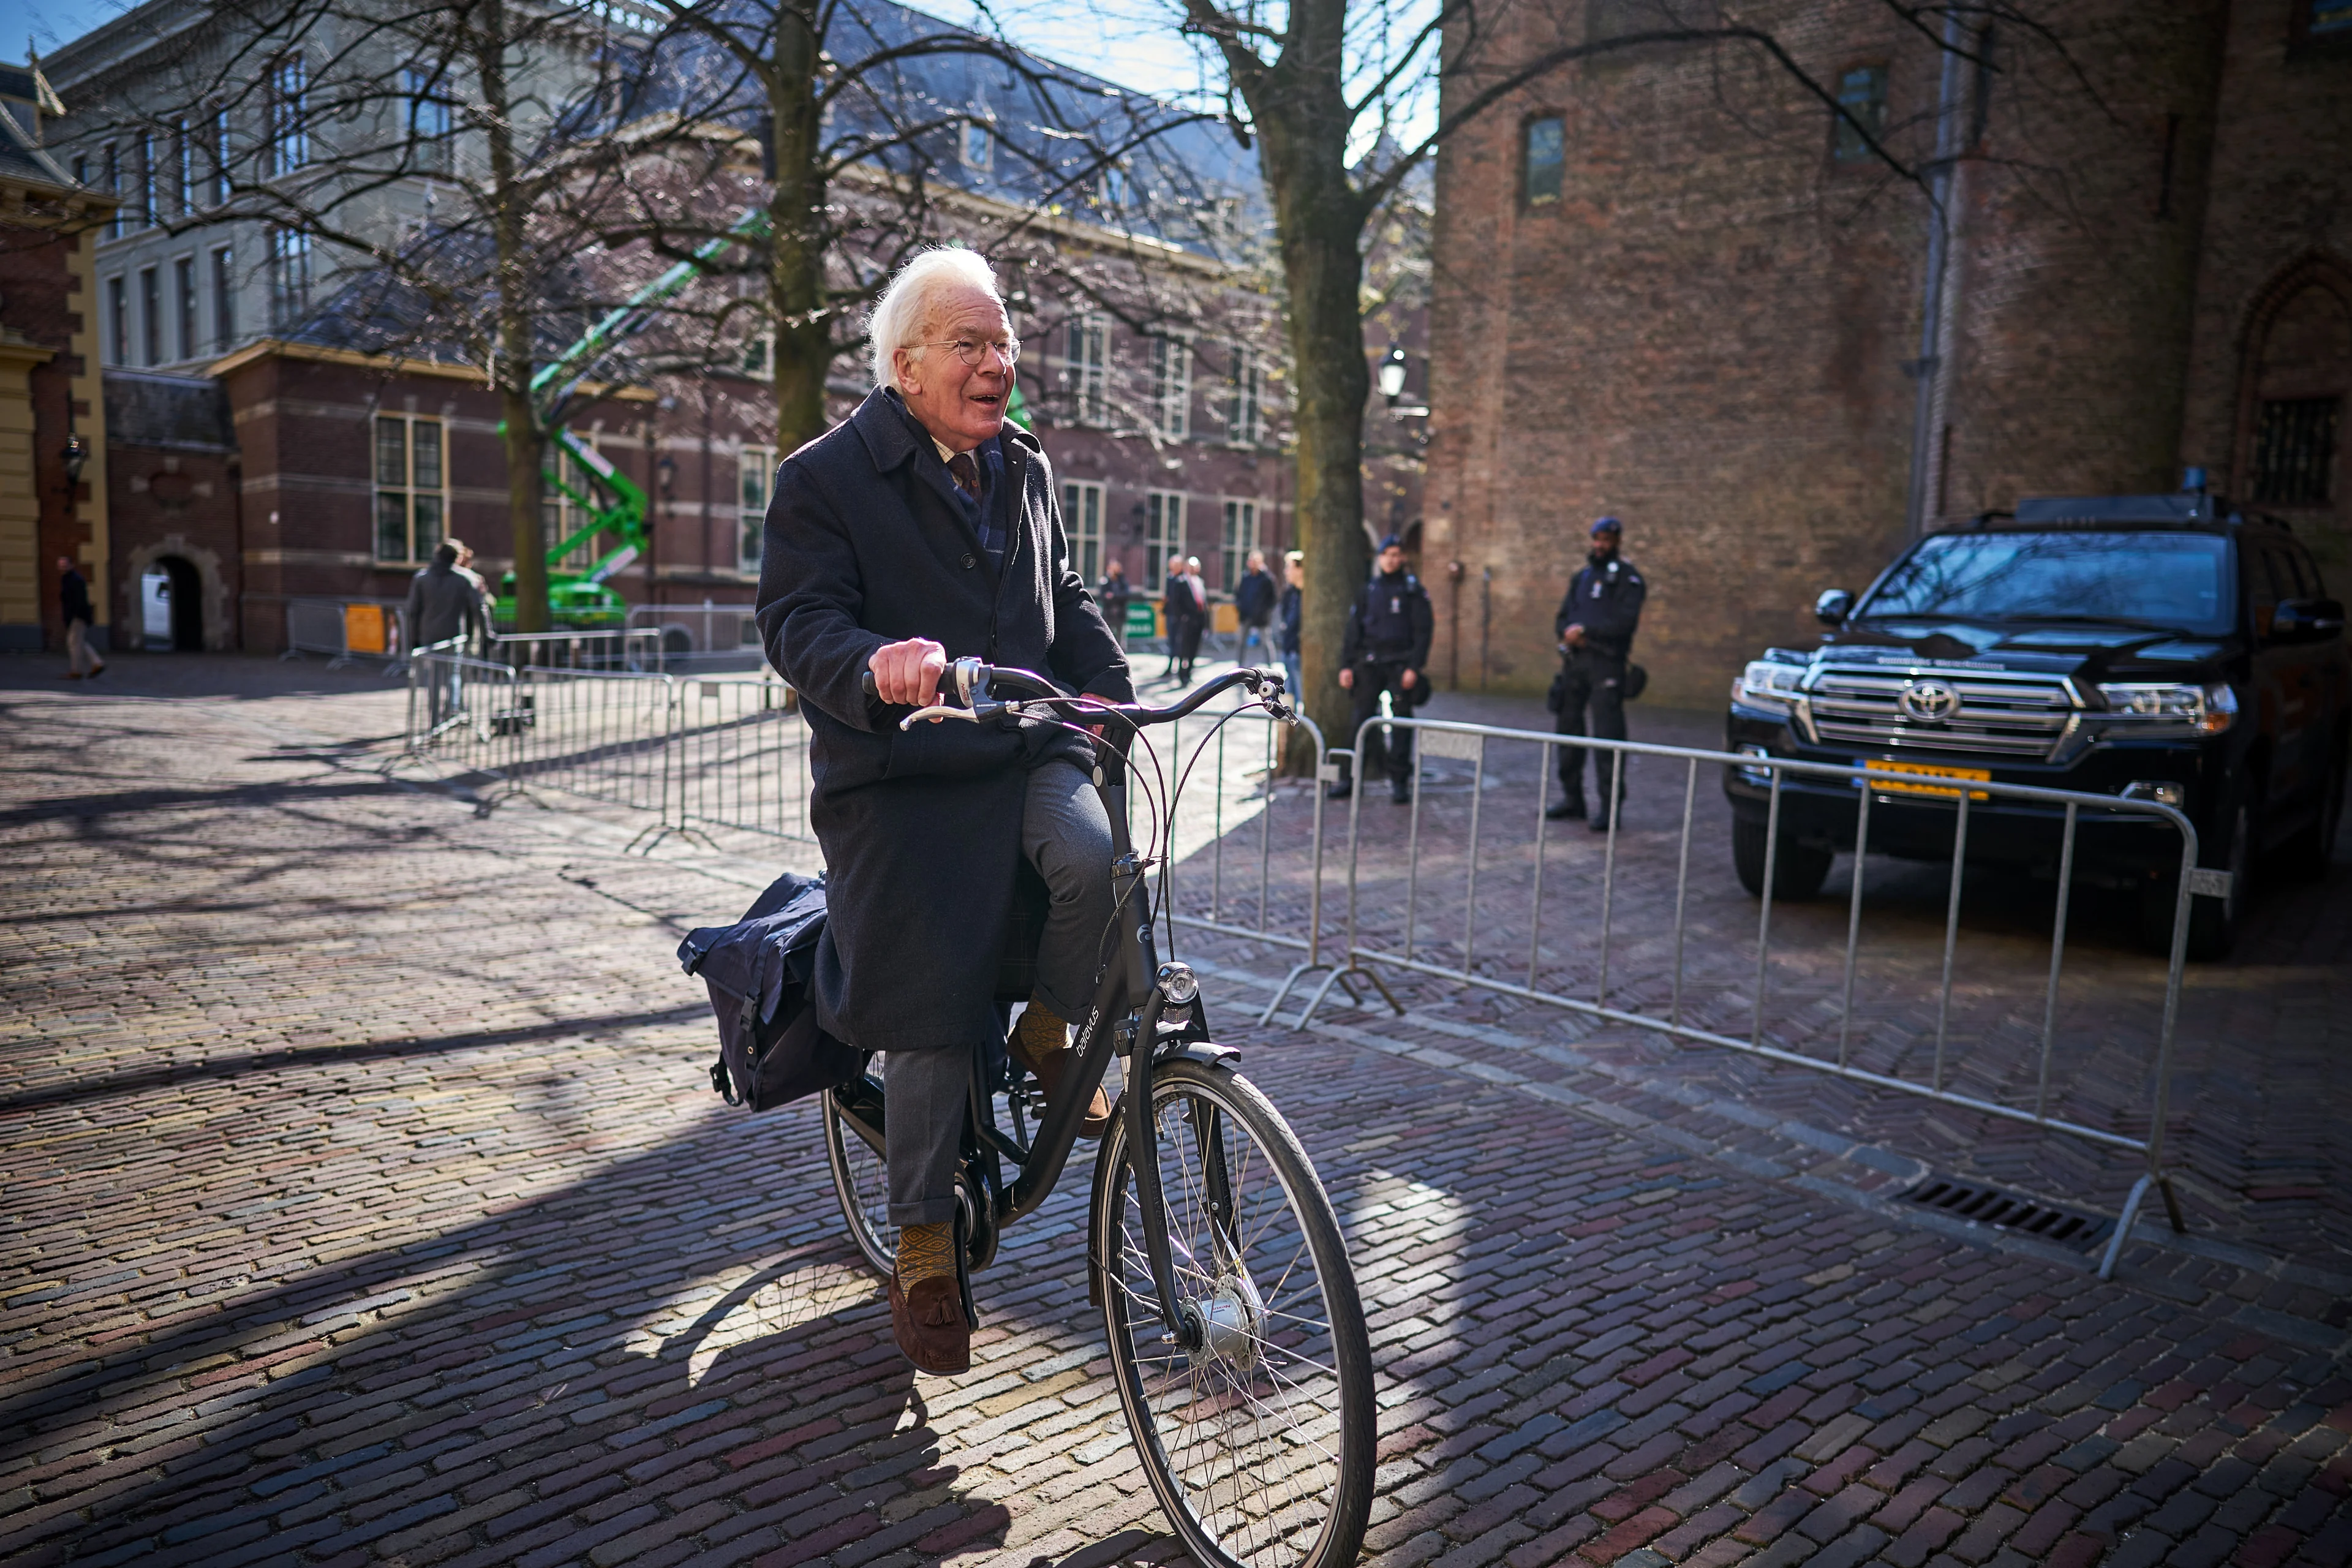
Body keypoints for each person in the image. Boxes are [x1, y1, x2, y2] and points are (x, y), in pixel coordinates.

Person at [757, 246, 1130, 1376]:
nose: (997, 364)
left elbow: (1062, 601)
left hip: (1020, 750)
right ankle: (923, 1241)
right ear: (905, 364)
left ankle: (1049, 1029)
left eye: (1005, 342)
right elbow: (797, 622)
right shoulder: (823, 478)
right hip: (905, 778)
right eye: (970, 344)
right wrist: (881, 665)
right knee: (929, 988)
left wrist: (1114, 698)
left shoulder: (1025, 468)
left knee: (1096, 860)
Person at [1547, 516, 1647, 831]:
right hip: (1575, 665)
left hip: (1607, 665)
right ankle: (1573, 798)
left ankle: (1609, 807)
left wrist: (1587, 631)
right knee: (1568, 731)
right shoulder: (1582, 578)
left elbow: (1624, 624)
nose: (1599, 545)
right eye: (1596, 539)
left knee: (1608, 737)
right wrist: (1567, 632)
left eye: (1606, 539)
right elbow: (1562, 617)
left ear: (1617, 541)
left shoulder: (1629, 580)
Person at [1334, 535, 1433, 803]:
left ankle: (1400, 782)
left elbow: (1424, 632)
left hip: (1401, 665)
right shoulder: (1369, 590)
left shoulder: (1413, 591)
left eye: (1396, 553)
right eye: (1387, 553)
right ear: (1379, 558)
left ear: (1402, 558)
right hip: (1369, 665)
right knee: (1360, 722)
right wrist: (1346, 665)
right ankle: (1351, 780)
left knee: (1401, 724)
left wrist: (1414, 667)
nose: (1392, 558)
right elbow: (1353, 631)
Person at [405, 540, 489, 725]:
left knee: (434, 680)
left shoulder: (422, 578)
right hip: (454, 636)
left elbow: (412, 611)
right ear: (457, 558)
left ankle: (436, 722)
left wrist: (414, 639)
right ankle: (451, 715)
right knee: (453, 675)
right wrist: (488, 634)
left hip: (429, 637)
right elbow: (480, 607)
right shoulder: (465, 578)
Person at [56, 557, 105, 679]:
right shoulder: (68, 579)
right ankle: (97, 663)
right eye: (61, 565)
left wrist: (76, 616)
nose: (63, 567)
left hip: (77, 616)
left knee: (74, 643)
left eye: (65, 565)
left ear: (71, 565)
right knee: (79, 642)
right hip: (76, 616)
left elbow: (79, 601)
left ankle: (76, 671)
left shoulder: (74, 580)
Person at [1163, 554, 1206, 684]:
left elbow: (1203, 602)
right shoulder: (1181, 581)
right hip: (1186, 621)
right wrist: (1182, 617)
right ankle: (1182, 674)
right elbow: (1175, 602)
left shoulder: (1200, 582)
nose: (1194, 570)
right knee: (1183, 647)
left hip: (1199, 620)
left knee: (1194, 647)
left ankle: (1189, 672)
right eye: (1191, 567)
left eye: (1196, 567)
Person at [1233, 549, 1277, 662]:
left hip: (1261, 617)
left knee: (1266, 642)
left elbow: (1273, 598)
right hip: (1246, 615)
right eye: (1251, 561)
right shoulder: (1246, 577)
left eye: (1255, 561)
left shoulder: (1267, 579)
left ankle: (1270, 665)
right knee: (1241, 642)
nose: (1251, 563)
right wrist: (1239, 606)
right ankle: (1240, 665)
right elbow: (1238, 593)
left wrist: (1265, 612)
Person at [1276, 551, 1304, 701]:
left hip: (1299, 652)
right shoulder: (1290, 593)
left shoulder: (1307, 596)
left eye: (1289, 567)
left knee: (1301, 697)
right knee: (1289, 698)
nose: (1285, 572)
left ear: (1300, 569)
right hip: (1289, 650)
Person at [1097, 559, 1133, 650]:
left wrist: (1113, 596)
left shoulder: (1123, 581)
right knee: (1108, 635)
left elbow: (1126, 595)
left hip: (1120, 613)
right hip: (1108, 613)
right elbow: (1102, 596)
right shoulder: (1105, 581)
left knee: (1121, 637)